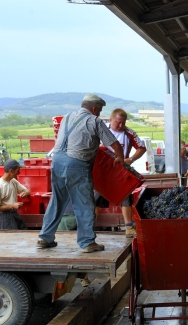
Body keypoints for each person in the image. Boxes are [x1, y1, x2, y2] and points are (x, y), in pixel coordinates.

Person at [37, 94, 124, 253]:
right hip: (76, 164)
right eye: (99, 110)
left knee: (57, 200)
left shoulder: (67, 117)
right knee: (84, 203)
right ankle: (87, 242)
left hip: (57, 161)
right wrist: (121, 159)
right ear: (93, 108)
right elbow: (114, 144)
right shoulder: (94, 121)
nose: (99, 114)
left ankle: (45, 237)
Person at [95, 108, 146, 238]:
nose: (121, 125)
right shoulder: (101, 131)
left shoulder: (129, 133)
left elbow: (141, 148)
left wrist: (131, 159)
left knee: (126, 197)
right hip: (102, 172)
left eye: (123, 123)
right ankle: (89, 227)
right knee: (95, 199)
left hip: (120, 171)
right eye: (118, 122)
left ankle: (129, 227)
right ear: (110, 120)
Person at [0, 159, 31, 230]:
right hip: (5, 217)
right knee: (11, 238)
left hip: (14, 214)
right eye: (18, 170)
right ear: (11, 171)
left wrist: (26, 193)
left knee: (23, 234)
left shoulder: (13, 181)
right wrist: (12, 206)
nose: (19, 172)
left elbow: (28, 190)